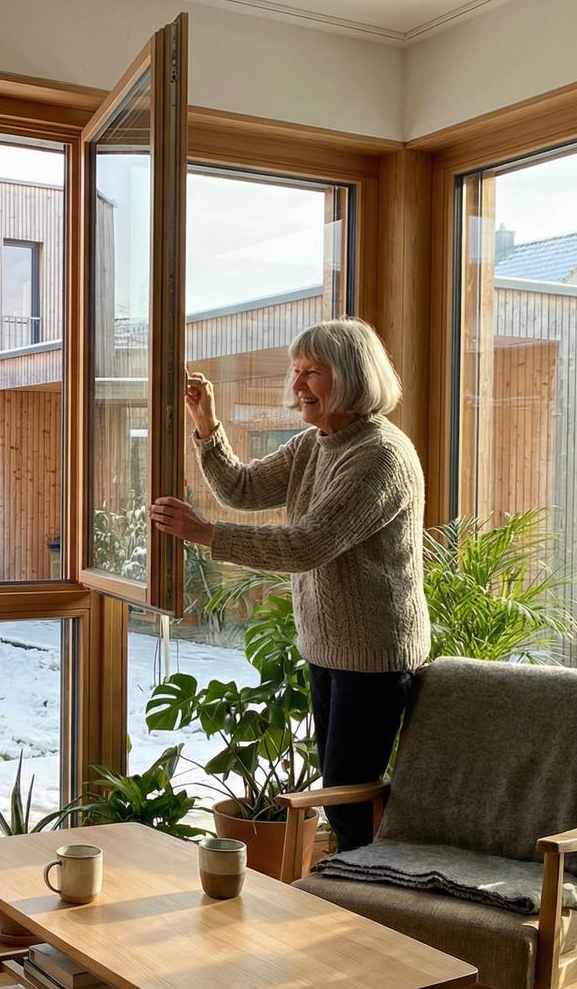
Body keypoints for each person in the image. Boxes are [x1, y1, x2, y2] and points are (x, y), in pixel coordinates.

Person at [148, 318, 429, 851]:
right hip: (329, 648)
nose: (297, 385)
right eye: (296, 371)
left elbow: (306, 545)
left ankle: (368, 910)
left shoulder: (381, 457)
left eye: (312, 373)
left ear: (350, 376)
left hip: (375, 654)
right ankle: (360, 900)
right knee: (343, 793)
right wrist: (206, 424)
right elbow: (242, 487)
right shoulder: (313, 445)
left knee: (349, 800)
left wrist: (205, 534)